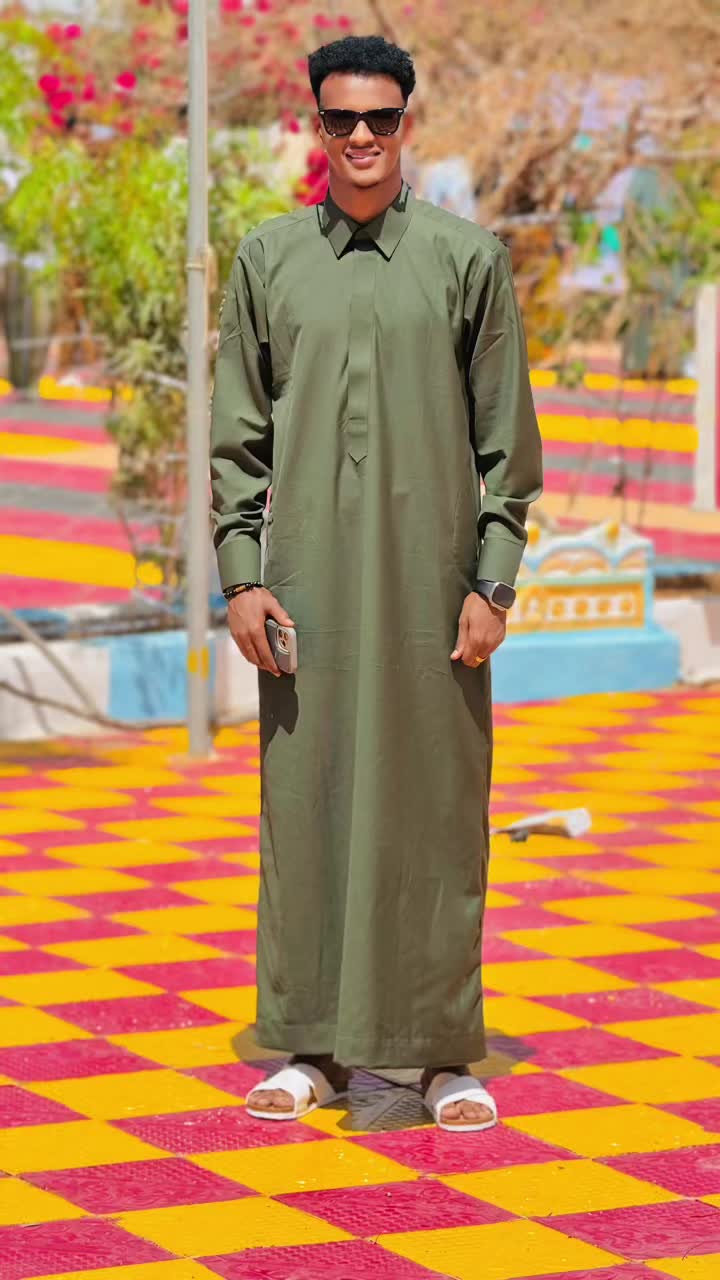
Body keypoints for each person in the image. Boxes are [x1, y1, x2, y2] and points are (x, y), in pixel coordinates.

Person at [210, 34, 543, 1132]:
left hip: (432, 594)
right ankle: (310, 1047)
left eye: (382, 118)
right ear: (318, 125)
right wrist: (241, 579)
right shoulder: (268, 260)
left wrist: (492, 585)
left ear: (407, 124)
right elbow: (237, 437)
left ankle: (441, 1054)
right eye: (343, 117)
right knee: (304, 809)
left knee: (435, 815)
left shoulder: (466, 260)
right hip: (304, 590)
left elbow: (507, 444)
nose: (362, 135)